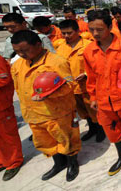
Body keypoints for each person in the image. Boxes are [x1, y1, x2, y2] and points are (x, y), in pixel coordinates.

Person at [11, 30, 80, 181]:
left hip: (57, 113)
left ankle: (72, 164)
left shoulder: (56, 62)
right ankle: (58, 163)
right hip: (33, 114)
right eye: (17, 51)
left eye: (24, 50)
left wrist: (50, 94)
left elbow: (70, 85)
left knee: (66, 139)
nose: (21, 54)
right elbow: (18, 87)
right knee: (45, 142)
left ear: (38, 44)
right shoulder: (17, 65)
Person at [84, 10, 121, 176]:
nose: (95, 33)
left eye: (100, 29)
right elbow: (91, 78)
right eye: (91, 29)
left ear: (110, 27)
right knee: (111, 130)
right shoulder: (89, 51)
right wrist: (93, 97)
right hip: (103, 101)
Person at [57, 20, 105, 143]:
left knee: (94, 109)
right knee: (83, 111)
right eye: (64, 33)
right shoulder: (61, 48)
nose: (66, 36)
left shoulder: (90, 45)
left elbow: (99, 65)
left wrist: (85, 74)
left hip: (89, 85)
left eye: (69, 33)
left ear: (78, 31)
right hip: (72, 88)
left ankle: (101, 130)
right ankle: (92, 129)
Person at [0, 54, 23, 181]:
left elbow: (4, 78)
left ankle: (14, 162)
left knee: (7, 135)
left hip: (1, 105)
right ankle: (1, 160)